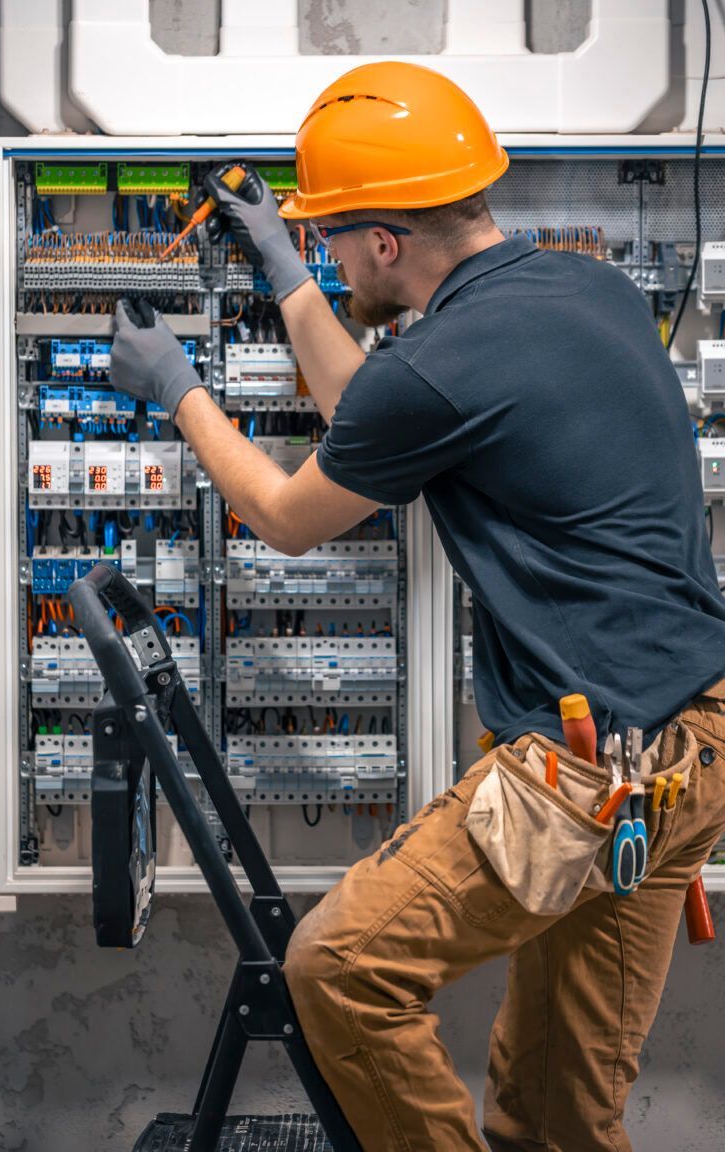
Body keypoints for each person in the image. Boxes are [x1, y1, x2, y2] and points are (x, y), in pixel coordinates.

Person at [111, 61, 725, 1152]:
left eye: (337, 236)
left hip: (583, 775)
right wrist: (291, 271)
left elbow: (291, 516)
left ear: (386, 243)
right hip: (698, 754)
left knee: (337, 968)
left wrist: (178, 390)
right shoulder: (589, 289)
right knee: (560, 1113)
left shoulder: (437, 367)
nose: (336, 252)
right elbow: (377, 414)